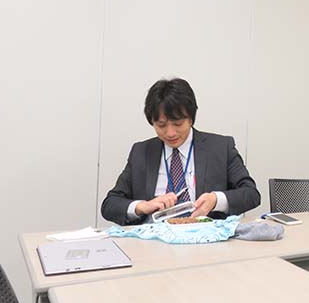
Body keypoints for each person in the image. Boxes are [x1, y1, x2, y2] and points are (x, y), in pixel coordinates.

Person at [101, 78, 260, 225]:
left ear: (191, 118)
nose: (170, 133)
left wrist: (216, 199)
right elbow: (110, 204)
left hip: (205, 239)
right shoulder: (141, 152)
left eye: (177, 124)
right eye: (161, 125)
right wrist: (141, 206)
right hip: (153, 239)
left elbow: (251, 194)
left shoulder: (220, 148)